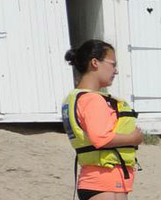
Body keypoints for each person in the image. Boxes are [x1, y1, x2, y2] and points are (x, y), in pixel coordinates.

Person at [62, 40, 144, 200]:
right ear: (95, 63)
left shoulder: (75, 98)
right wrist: (133, 138)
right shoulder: (93, 100)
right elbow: (100, 138)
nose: (116, 71)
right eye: (113, 64)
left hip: (96, 181)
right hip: (103, 183)